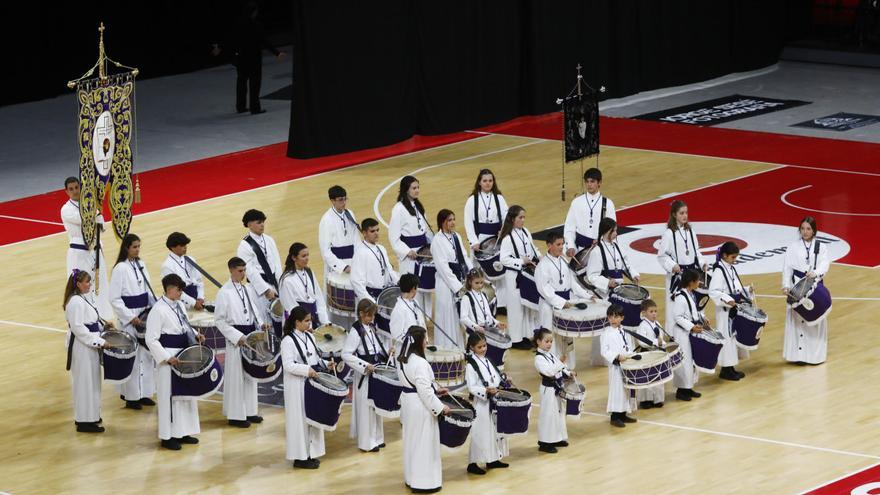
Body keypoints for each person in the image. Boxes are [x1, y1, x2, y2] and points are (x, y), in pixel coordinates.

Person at [145, 274, 205, 450]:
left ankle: (183, 431)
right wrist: (165, 357)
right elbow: (151, 339)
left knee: (185, 395)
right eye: (179, 289)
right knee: (169, 397)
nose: (181, 292)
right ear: (169, 289)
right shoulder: (158, 310)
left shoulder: (179, 305)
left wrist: (195, 334)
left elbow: (184, 325)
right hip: (169, 358)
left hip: (183, 355)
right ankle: (167, 436)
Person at [214, 257, 269, 428]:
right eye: (240, 271)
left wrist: (260, 323)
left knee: (250, 376)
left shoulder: (246, 289)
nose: (243, 274)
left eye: (244, 270)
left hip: (250, 337)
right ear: (231, 270)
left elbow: (253, 310)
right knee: (237, 377)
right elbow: (220, 321)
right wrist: (238, 337)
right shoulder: (224, 292)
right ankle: (236, 415)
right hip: (237, 340)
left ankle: (250, 411)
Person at [398, 326, 450, 493]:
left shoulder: (402, 359)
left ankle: (411, 478)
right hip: (420, 406)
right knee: (424, 443)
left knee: (411, 441)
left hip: (408, 403)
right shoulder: (420, 363)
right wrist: (441, 407)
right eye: (425, 338)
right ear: (419, 341)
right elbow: (425, 392)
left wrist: (436, 390)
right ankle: (424, 482)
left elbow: (419, 385)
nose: (427, 341)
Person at [212, 1, 287, 115]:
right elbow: (264, 41)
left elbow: (229, 38)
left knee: (241, 81)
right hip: (254, 59)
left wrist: (220, 47)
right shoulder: (256, 25)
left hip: (241, 58)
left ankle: (240, 106)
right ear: (253, 12)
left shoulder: (237, 24)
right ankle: (255, 107)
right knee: (254, 83)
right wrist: (276, 53)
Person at [109, 233, 157, 410]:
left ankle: (145, 393)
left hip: (144, 316)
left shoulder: (141, 264)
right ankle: (131, 396)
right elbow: (114, 298)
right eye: (134, 247)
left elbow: (149, 291)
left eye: (139, 246)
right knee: (134, 358)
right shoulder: (120, 269)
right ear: (126, 248)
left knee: (147, 356)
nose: (137, 250)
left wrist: (156, 308)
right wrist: (130, 317)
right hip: (129, 319)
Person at [64, 269, 114, 433]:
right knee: (85, 383)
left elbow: (91, 322)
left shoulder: (83, 299)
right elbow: (78, 328)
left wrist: (103, 327)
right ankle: (84, 420)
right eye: (87, 282)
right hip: (82, 347)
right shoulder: (75, 302)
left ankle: (91, 416)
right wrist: (99, 341)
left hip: (89, 346)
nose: (90, 284)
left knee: (92, 382)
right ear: (78, 284)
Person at [281, 306, 330, 469]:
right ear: (297, 322)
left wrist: (326, 364)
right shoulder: (287, 341)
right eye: (307, 321)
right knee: (299, 420)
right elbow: (288, 365)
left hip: (310, 383)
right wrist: (306, 370)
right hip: (296, 385)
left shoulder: (310, 337)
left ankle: (310, 453)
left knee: (312, 417)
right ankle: (299, 457)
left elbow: (314, 358)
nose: (310, 323)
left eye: (310, 320)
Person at [535, 231, 592, 367]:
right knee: (551, 337)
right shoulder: (543, 266)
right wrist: (561, 303)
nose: (562, 247)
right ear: (549, 245)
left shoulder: (563, 261)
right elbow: (544, 289)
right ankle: (552, 367)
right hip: (550, 306)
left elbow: (572, 283)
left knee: (566, 335)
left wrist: (587, 295)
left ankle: (568, 366)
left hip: (566, 303)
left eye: (563, 244)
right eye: (558, 244)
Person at [341, 299, 389, 452]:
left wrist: (387, 355)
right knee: (367, 407)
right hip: (365, 373)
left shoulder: (370, 327)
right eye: (369, 315)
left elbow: (376, 348)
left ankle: (377, 438)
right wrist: (363, 366)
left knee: (376, 406)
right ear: (361, 314)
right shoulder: (356, 331)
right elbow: (346, 354)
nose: (372, 318)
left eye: (373, 315)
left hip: (375, 371)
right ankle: (367, 443)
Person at [782, 216, 831, 365]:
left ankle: (814, 356)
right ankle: (798, 356)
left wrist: (815, 273)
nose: (805, 231)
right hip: (797, 286)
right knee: (797, 320)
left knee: (814, 319)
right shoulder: (792, 247)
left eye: (808, 229)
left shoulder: (821, 247)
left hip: (814, 285)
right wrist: (785, 285)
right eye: (802, 228)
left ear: (814, 230)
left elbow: (825, 264)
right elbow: (787, 267)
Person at [60, 177, 111, 316]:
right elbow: (84, 219)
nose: (75, 191)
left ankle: (104, 316)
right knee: (81, 285)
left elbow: (100, 227)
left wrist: (98, 216)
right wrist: (96, 213)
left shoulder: (90, 204)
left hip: (96, 250)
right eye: (71, 189)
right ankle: (84, 317)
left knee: (101, 284)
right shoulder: (66, 209)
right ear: (66, 191)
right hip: (79, 253)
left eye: (77, 187)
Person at [657, 200, 709, 333]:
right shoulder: (669, 233)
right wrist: (673, 265)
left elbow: (696, 251)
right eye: (681, 213)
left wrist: (702, 263)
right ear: (674, 214)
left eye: (686, 212)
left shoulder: (690, 230)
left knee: (694, 303)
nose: (685, 216)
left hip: (692, 274)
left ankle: (695, 330)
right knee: (676, 307)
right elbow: (662, 256)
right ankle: (673, 335)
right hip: (678, 275)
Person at [463, 169, 509, 312]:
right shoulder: (472, 200)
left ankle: (501, 304)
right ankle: (482, 302)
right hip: (480, 241)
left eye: (490, 180)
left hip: (496, 241)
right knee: (479, 271)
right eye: (485, 181)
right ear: (479, 182)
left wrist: (504, 229)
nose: (488, 183)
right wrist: (473, 241)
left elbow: (506, 217)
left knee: (500, 271)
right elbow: (468, 222)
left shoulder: (499, 198)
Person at [388, 176, 434, 317]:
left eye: (418, 187)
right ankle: (413, 318)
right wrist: (407, 251)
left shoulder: (418, 206)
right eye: (414, 188)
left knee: (425, 288)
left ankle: (425, 319)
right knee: (413, 290)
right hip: (410, 257)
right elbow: (394, 238)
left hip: (422, 254)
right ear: (405, 190)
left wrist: (433, 246)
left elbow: (425, 230)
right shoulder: (399, 209)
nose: (417, 190)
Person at [464, 332, 510, 475]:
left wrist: (503, 380)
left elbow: (494, 376)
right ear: (472, 348)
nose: (483, 349)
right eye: (480, 347)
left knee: (493, 431)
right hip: (481, 403)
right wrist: (485, 390)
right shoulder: (471, 365)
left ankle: (492, 459)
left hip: (492, 400)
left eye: (485, 345)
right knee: (480, 432)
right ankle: (473, 463)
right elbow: (471, 387)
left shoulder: (487, 360)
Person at [498, 206, 541, 350]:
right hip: (514, 276)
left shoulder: (525, 232)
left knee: (526, 306)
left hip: (526, 274)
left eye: (524, 217)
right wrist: (521, 261)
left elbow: (533, 248)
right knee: (516, 308)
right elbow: (504, 259)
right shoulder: (507, 237)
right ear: (512, 219)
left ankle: (526, 335)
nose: (523, 220)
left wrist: (540, 258)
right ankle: (516, 339)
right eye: (520, 218)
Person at [237, 209, 283, 335]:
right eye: (258, 222)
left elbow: (277, 263)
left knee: (279, 317)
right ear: (249, 224)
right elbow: (250, 271)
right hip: (259, 289)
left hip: (274, 283)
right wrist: (265, 289)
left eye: (263, 222)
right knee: (264, 320)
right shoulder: (244, 245)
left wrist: (280, 283)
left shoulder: (269, 239)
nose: (262, 225)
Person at [430, 209, 472, 350]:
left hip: (460, 280)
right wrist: (458, 287)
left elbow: (464, 257)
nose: (453, 222)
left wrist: (471, 274)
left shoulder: (456, 236)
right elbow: (443, 268)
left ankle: (461, 347)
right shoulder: (437, 241)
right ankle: (448, 349)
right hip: (446, 284)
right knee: (448, 317)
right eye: (449, 220)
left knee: (460, 316)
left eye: (453, 219)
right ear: (442, 222)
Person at [709, 241, 748, 380]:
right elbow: (713, 291)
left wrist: (746, 290)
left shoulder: (730, 267)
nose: (734, 260)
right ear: (724, 255)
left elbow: (735, 286)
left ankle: (731, 367)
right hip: (725, 311)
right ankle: (726, 369)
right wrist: (727, 300)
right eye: (732, 257)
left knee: (732, 338)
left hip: (733, 308)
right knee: (726, 338)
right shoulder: (719, 270)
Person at [533, 328, 574, 453]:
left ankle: (557, 437)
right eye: (547, 341)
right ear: (538, 342)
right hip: (548, 390)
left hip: (556, 388)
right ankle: (545, 442)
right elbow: (549, 372)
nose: (549, 344)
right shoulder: (538, 358)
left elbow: (561, 368)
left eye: (551, 341)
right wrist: (560, 363)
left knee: (558, 414)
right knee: (548, 415)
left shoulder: (550, 354)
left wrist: (569, 373)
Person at [564, 168, 617, 257]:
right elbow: (569, 227)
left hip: (600, 250)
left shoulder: (608, 203)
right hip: (580, 251)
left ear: (599, 183)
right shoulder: (576, 202)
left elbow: (612, 230)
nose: (589, 185)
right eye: (587, 182)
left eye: (592, 181)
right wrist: (570, 246)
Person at [600, 304, 637, 428]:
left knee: (625, 390)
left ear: (622, 318)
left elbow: (629, 346)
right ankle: (615, 416)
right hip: (616, 366)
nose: (613, 319)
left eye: (616, 317)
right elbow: (604, 351)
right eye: (610, 317)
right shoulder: (606, 333)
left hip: (626, 364)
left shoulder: (624, 331)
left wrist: (632, 355)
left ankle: (623, 414)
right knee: (617, 390)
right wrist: (616, 356)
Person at [318, 185, 360, 293]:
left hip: (354, 262)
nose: (344, 202)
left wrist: (359, 260)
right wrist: (343, 267)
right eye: (341, 200)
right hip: (338, 267)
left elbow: (356, 240)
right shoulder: (326, 220)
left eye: (345, 199)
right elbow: (325, 251)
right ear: (332, 201)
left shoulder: (349, 214)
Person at [672, 269, 706, 401]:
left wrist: (703, 317)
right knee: (684, 361)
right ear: (691, 282)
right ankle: (681, 390)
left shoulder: (690, 294)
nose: (699, 283)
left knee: (691, 361)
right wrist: (692, 327)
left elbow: (693, 311)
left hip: (688, 332)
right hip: (682, 333)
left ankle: (689, 387)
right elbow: (678, 317)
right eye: (697, 281)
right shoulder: (680, 297)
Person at [586, 217, 640, 298]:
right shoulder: (596, 251)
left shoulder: (618, 247)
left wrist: (634, 275)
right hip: (604, 293)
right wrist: (607, 282)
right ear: (605, 231)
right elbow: (592, 276)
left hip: (620, 290)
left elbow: (626, 265)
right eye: (613, 231)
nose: (616, 233)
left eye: (616, 230)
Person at [279, 242, 330, 328]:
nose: (307, 258)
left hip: (312, 319)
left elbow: (318, 297)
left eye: (307, 255)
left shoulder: (309, 272)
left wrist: (324, 320)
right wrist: (307, 326)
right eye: (303, 256)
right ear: (294, 257)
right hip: (298, 325)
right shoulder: (286, 280)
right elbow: (291, 307)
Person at [351, 217, 400, 304]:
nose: (376, 233)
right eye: (372, 231)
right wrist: (370, 301)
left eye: (377, 230)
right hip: (371, 296)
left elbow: (389, 271)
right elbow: (356, 282)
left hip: (385, 294)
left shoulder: (381, 248)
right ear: (364, 233)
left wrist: (399, 283)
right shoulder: (360, 253)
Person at [160, 232, 205, 310]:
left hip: (197, 299)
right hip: (181, 303)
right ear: (173, 247)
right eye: (182, 245)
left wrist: (200, 297)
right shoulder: (167, 266)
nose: (185, 247)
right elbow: (174, 290)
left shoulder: (191, 259)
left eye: (185, 245)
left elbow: (199, 280)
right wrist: (193, 303)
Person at [635, 299, 667, 409]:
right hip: (647, 353)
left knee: (658, 376)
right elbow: (642, 341)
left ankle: (658, 399)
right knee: (647, 377)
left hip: (657, 353)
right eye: (651, 311)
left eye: (655, 311)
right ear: (644, 313)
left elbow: (661, 337)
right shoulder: (642, 325)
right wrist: (655, 342)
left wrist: (662, 343)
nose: (654, 314)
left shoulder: (658, 324)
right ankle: (646, 400)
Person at [459, 268, 506, 337]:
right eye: (477, 283)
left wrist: (497, 323)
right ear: (469, 282)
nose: (480, 285)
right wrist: (475, 327)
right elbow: (463, 318)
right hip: (475, 333)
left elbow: (488, 314)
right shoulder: (466, 298)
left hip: (487, 330)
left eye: (481, 282)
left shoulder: (484, 295)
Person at [390, 274, 426, 353]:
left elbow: (421, 322)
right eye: (417, 287)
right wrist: (415, 342)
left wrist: (424, 338)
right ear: (413, 288)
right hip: (405, 351)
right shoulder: (399, 309)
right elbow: (396, 334)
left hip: (418, 348)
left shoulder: (415, 302)